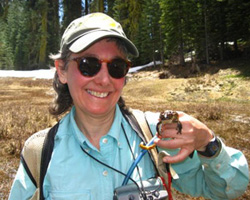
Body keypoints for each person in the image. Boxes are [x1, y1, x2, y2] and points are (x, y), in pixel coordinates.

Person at [9, 12, 248, 200]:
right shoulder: (39, 153)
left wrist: (208, 143)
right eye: (88, 64)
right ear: (62, 70)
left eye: (116, 67)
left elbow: (227, 190)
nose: (104, 79)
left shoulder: (158, 136)